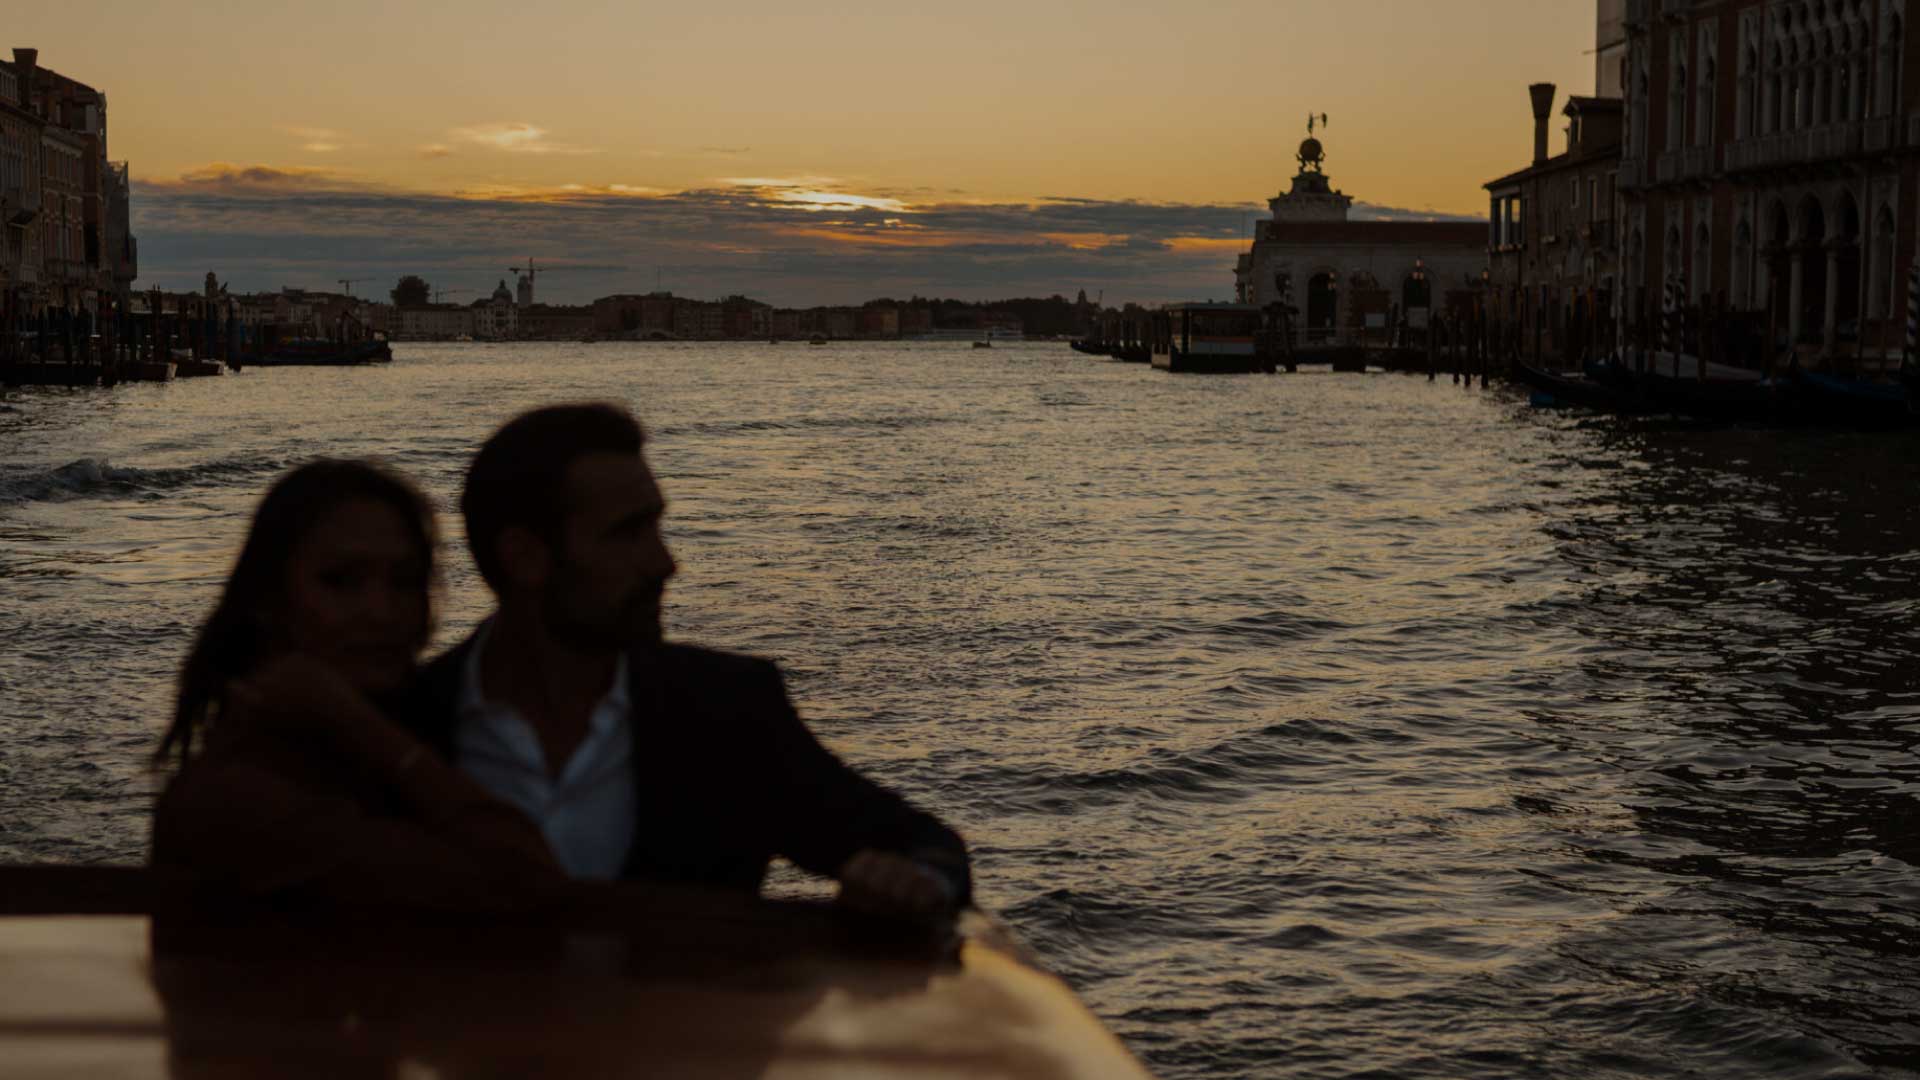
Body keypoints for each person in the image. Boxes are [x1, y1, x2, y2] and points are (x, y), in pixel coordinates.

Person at [405, 403, 971, 917]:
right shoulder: (409, 720)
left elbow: (928, 848)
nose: (664, 563)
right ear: (525, 558)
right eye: (627, 534)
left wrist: (913, 882)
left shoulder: (726, 711)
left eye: (656, 526)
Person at [151, 460, 563, 909]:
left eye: (405, 581)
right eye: (341, 581)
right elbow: (530, 884)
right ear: (269, 601)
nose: (380, 611)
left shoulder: (419, 738)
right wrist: (356, 721)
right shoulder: (236, 798)